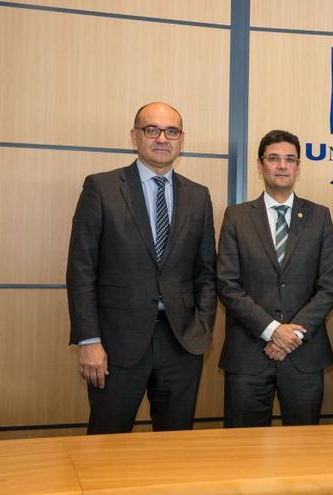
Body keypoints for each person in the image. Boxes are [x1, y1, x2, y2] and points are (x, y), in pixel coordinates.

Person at [66, 102, 217, 434]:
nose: (162, 138)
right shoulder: (102, 188)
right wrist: (89, 340)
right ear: (135, 136)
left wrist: (201, 328)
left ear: (182, 139)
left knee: (175, 448)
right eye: (152, 130)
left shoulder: (198, 196)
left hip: (181, 343)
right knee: (108, 444)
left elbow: (206, 273)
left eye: (171, 131)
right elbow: (81, 270)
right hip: (116, 344)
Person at [217, 129, 333, 427]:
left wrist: (291, 335)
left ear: (298, 167)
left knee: (303, 452)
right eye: (274, 158)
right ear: (260, 165)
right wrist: (272, 330)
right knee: (243, 452)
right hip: (248, 355)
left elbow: (328, 286)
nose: (282, 165)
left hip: (303, 355)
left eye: (289, 159)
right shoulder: (237, 216)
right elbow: (227, 284)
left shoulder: (319, 216)